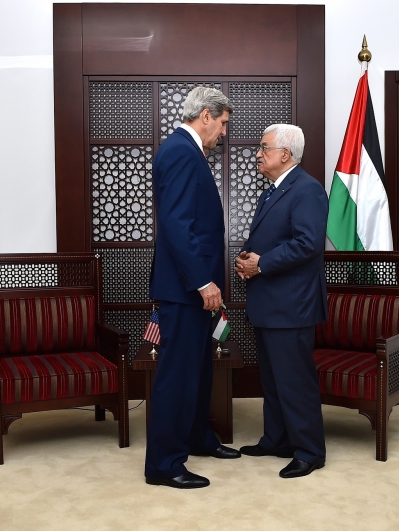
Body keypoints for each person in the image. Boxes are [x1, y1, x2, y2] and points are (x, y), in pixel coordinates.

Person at [145, 87, 241, 489]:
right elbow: (177, 224)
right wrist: (203, 282)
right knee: (177, 377)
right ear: (205, 115)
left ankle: (198, 438)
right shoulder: (180, 152)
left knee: (199, 372)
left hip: (194, 288)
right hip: (185, 288)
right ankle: (164, 464)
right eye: (222, 124)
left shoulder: (187, 151)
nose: (223, 132)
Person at [234, 124, 328, 478]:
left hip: (292, 305)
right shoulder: (273, 191)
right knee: (273, 380)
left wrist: (262, 264)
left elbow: (307, 244)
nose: (258, 154)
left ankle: (309, 451)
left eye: (264, 147)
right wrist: (249, 260)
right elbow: (275, 240)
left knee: (295, 382)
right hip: (270, 303)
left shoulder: (307, 189)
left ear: (285, 154)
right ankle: (277, 440)